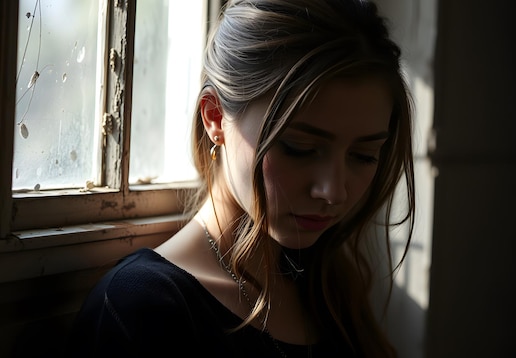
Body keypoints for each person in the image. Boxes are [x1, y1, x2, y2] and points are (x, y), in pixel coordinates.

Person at [66, 0, 416, 357]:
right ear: (215, 118)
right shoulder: (141, 308)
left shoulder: (329, 288)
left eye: (364, 156)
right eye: (299, 147)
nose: (333, 191)